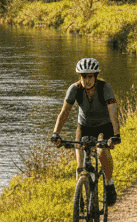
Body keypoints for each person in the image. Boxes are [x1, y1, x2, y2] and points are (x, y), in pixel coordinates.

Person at [51, 57, 121, 205]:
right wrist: (55, 133)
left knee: (101, 151)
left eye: (90, 76)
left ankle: (109, 183)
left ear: (95, 76)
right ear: (80, 77)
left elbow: (113, 112)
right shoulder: (74, 89)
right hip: (84, 126)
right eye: (84, 76)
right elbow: (64, 113)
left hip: (104, 126)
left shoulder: (105, 88)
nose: (87, 80)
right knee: (80, 165)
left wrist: (116, 135)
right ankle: (80, 199)